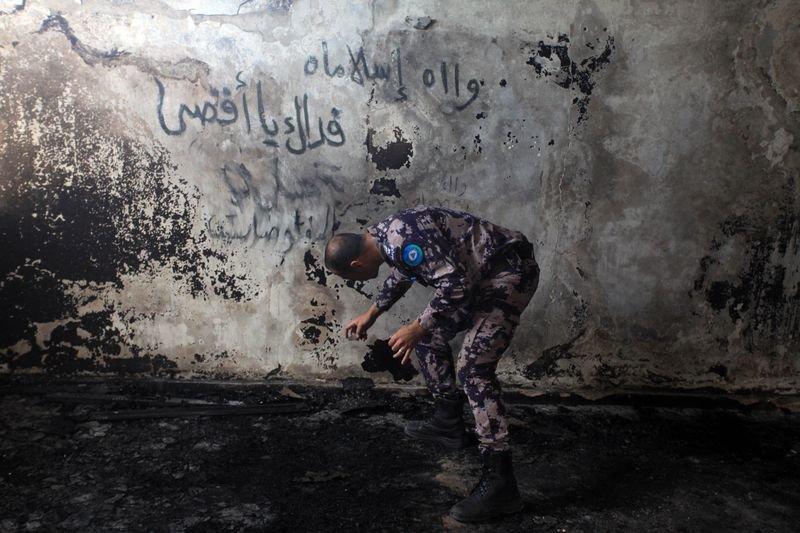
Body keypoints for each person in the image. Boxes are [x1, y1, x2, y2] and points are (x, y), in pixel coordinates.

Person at [324, 205, 540, 523]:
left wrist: (416, 325)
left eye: (347, 276)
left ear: (356, 264)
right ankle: (448, 423)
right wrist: (372, 314)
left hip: (507, 273)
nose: (351, 279)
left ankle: (501, 484)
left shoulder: (397, 239)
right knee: (428, 338)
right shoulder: (384, 235)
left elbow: (455, 286)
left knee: (473, 369)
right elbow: (406, 270)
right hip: (479, 275)